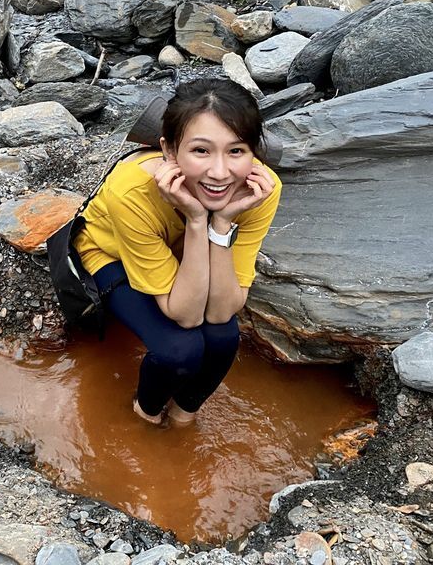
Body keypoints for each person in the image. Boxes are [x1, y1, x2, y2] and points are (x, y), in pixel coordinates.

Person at [73, 78, 281, 425]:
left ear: (253, 153)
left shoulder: (260, 190)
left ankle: (184, 415)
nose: (220, 172)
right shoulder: (130, 191)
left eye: (236, 151)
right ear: (170, 151)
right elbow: (185, 316)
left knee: (224, 337)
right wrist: (198, 219)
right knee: (179, 349)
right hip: (113, 254)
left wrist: (221, 223)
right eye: (201, 150)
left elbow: (222, 311)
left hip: (185, 249)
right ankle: (146, 413)